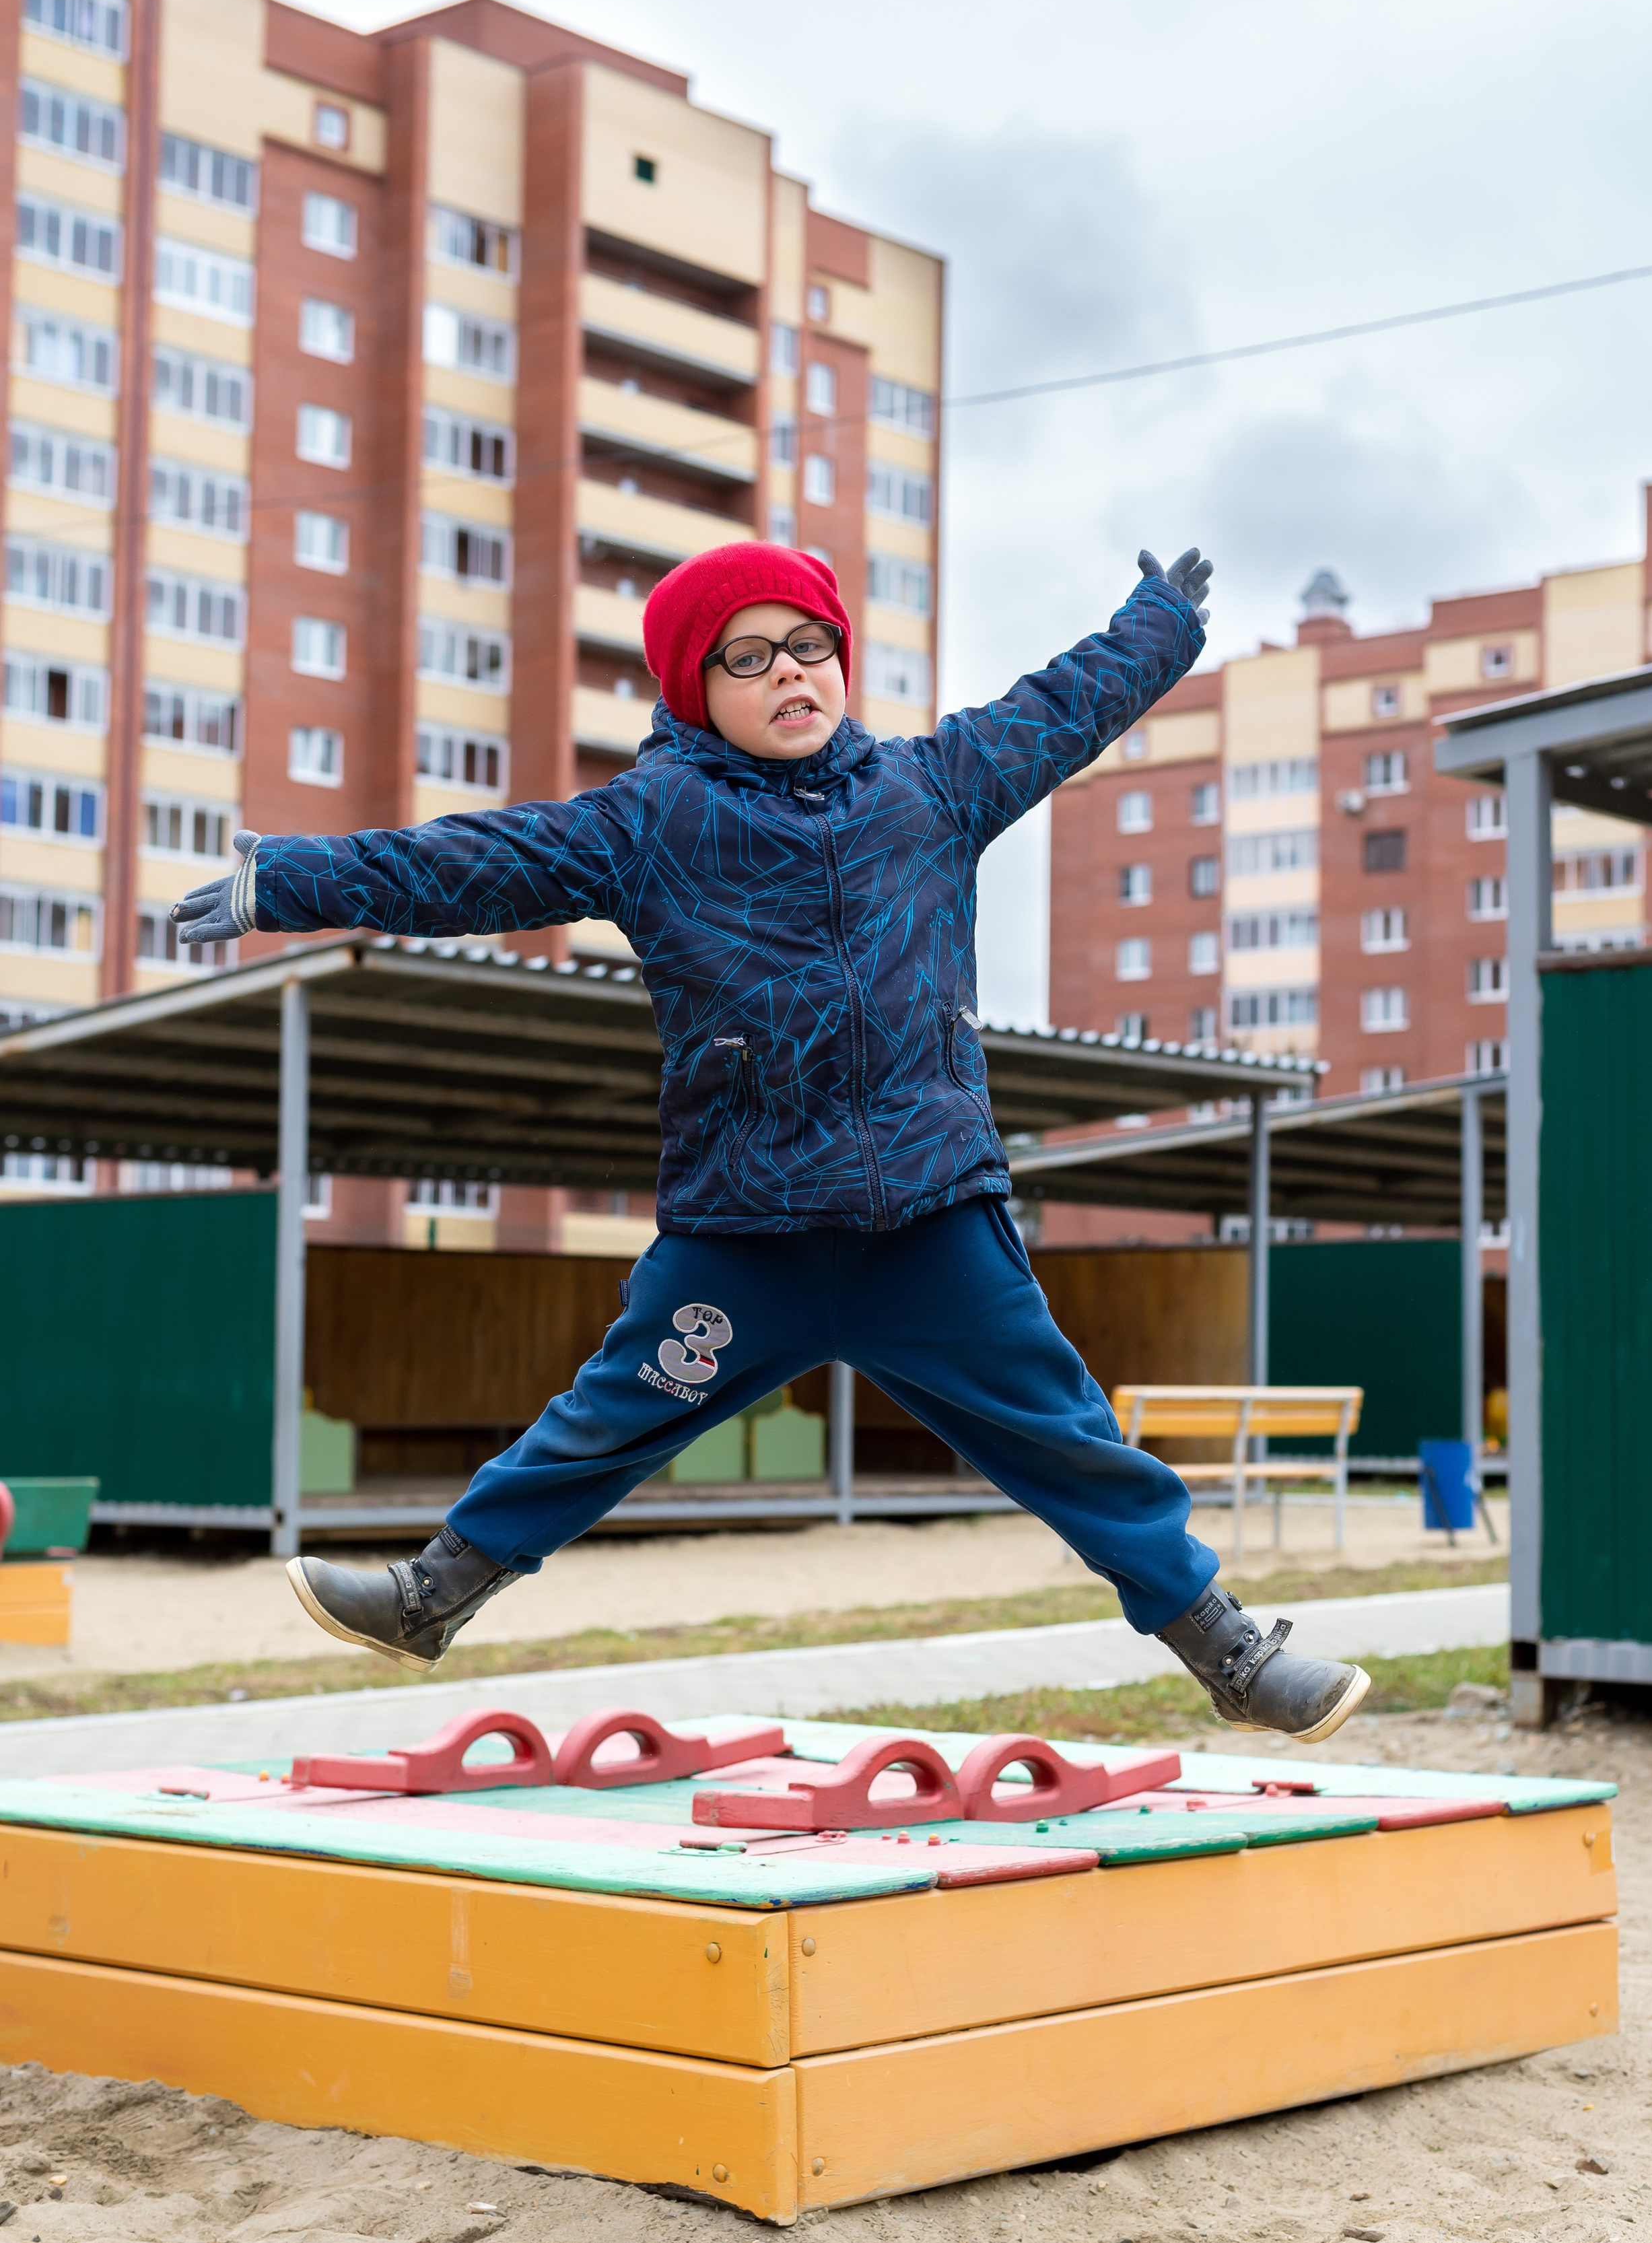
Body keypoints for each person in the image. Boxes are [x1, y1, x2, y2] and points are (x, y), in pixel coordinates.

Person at [172, 540, 1368, 1744]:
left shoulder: (933, 787)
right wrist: (286, 881)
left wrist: (1158, 624)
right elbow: (473, 865)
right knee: (605, 1420)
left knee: (1071, 1443)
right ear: (700, 692)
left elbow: (1060, 711)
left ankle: (1230, 1655)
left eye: (809, 648)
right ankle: (427, 1601)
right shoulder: (654, 823)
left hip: (929, 1222)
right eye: (748, 660)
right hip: (746, 1236)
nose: (789, 674)